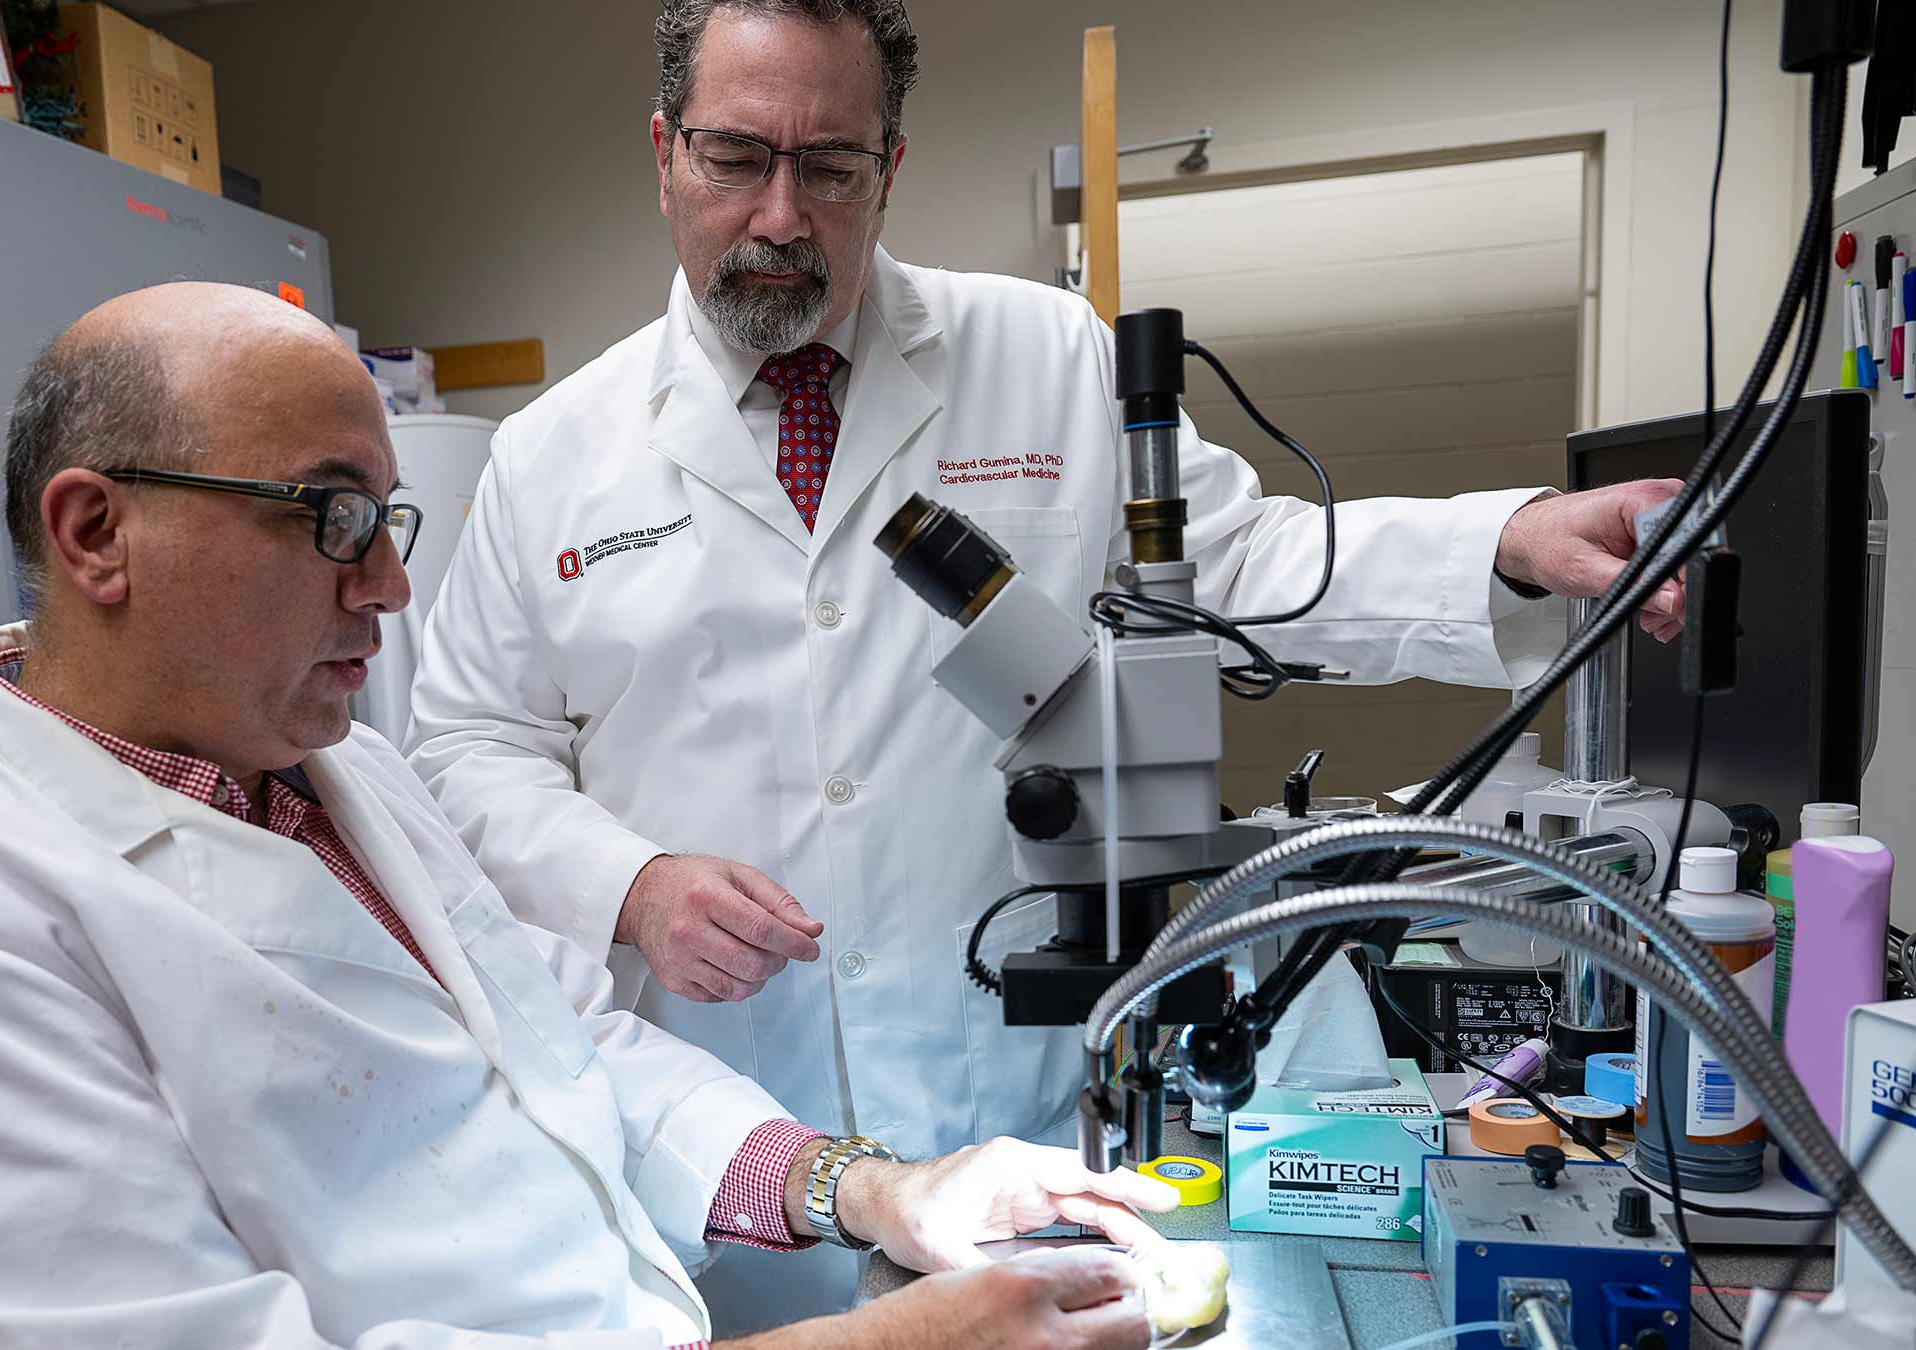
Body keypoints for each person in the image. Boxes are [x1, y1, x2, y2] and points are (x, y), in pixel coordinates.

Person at [403, 0, 1686, 1329]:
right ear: (666, 151)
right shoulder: (554, 455)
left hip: (1000, 1116)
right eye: (736, 159)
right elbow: (463, 753)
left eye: (831, 166)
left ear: (889, 169)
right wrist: (627, 882)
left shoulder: (1043, 357)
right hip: (725, 1137)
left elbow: (1239, 567)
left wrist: (1511, 543)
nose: (782, 213)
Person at [0, 282, 1186, 1350]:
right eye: (330, 516)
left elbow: (572, 1049)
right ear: (95, 535)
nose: (388, 585)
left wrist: (877, 1190)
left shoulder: (341, 776)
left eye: (391, 520)